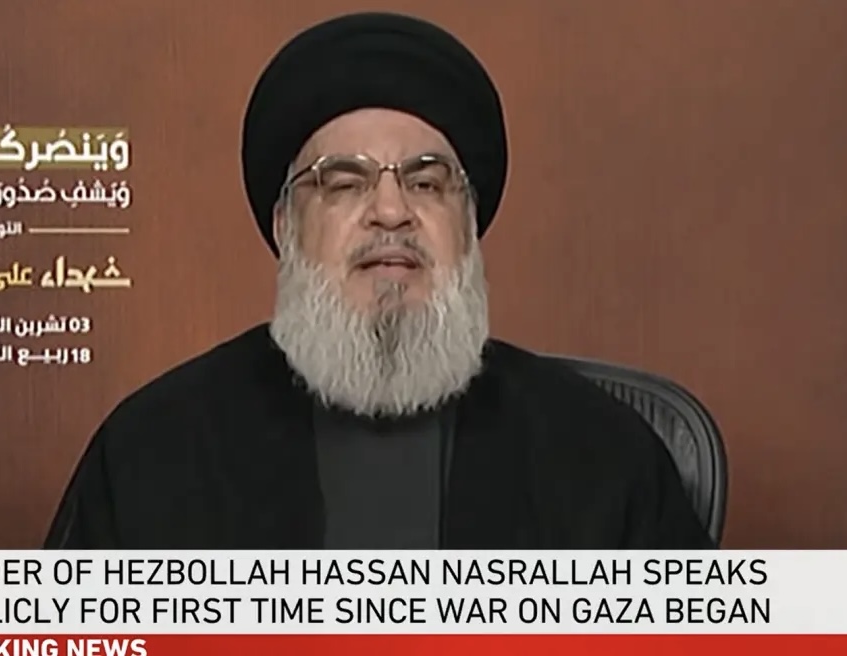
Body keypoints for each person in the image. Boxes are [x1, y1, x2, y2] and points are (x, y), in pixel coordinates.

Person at [44, 12, 713, 550]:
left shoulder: (600, 453)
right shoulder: (154, 450)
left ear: (467, 227)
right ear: (285, 226)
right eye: (343, 183)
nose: (391, 211)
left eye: (427, 182)